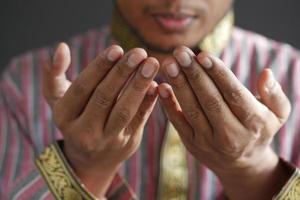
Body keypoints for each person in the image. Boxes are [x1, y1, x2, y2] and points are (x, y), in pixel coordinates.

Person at [0, 0, 299, 199]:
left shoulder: (294, 76)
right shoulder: (23, 84)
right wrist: (85, 166)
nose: (174, 0)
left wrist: (253, 171)